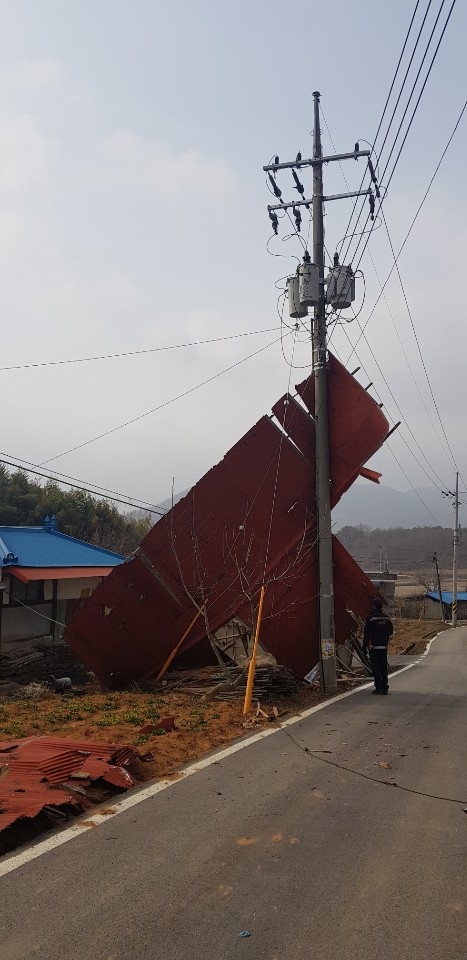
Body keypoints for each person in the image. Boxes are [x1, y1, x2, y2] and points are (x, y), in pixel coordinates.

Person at [363, 597, 393, 695]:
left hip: (374, 647)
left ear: (374, 606)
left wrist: (363, 647)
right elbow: (391, 631)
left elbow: (367, 633)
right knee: (383, 667)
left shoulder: (371, 618)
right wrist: (384, 637)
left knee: (376, 667)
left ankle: (378, 688)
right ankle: (385, 688)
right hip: (384, 646)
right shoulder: (386, 618)